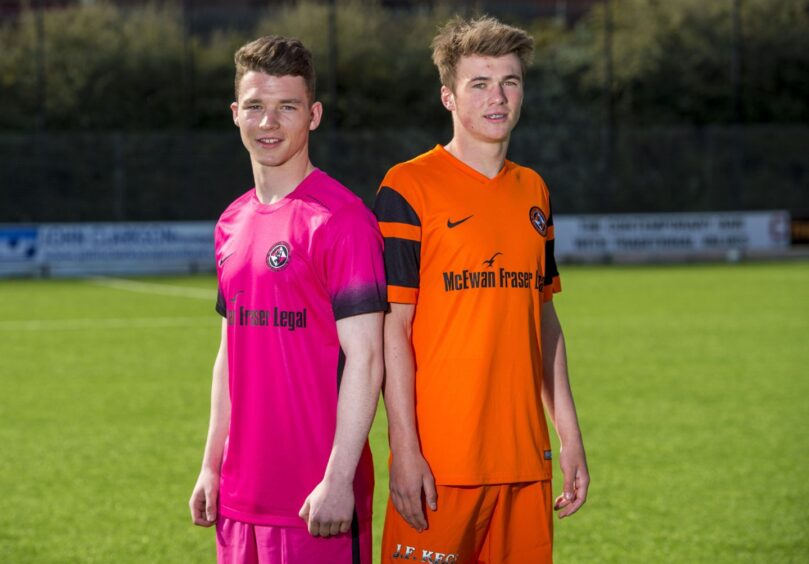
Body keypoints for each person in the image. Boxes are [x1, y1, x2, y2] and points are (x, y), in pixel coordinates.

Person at [373, 15, 589, 563]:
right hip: (440, 467)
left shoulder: (534, 190)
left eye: (510, 82)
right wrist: (404, 450)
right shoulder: (408, 186)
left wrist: (569, 432)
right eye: (480, 83)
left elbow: (543, 319)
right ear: (448, 96)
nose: (498, 97)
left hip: (525, 462)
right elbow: (391, 325)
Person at [188, 35, 386, 564]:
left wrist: (339, 479)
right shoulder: (230, 222)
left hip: (315, 504)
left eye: (287, 107)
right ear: (235, 114)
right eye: (255, 106)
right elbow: (228, 356)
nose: (268, 122)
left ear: (314, 115)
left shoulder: (343, 222)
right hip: (238, 501)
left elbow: (367, 358)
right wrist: (211, 465)